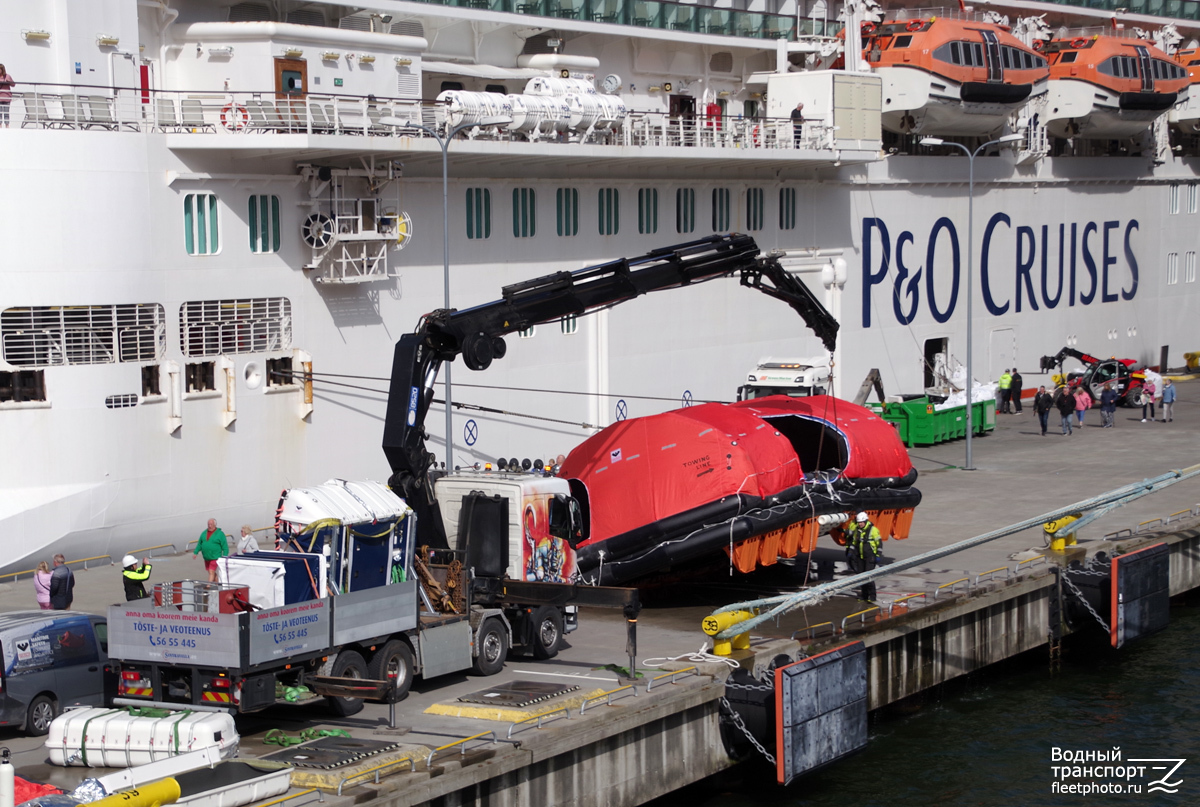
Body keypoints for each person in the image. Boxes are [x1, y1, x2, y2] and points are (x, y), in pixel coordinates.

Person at [844, 511, 882, 602]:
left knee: (869, 576)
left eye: (861, 522)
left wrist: (878, 555)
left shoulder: (873, 530)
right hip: (860, 556)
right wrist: (851, 551)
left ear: (865, 521)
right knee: (861, 576)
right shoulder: (857, 530)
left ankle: (872, 596)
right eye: (858, 522)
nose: (860, 524)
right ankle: (864, 595)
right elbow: (854, 542)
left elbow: (879, 544)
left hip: (870, 556)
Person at [194, 518, 228, 583]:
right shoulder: (204, 533)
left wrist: (225, 556)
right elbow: (200, 544)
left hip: (215, 556)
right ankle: (219, 585)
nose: (209, 526)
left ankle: (208, 586)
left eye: (211, 524)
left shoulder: (220, 534)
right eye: (208, 524)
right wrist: (196, 552)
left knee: (211, 571)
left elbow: (225, 546)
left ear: (215, 524)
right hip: (207, 557)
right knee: (211, 572)